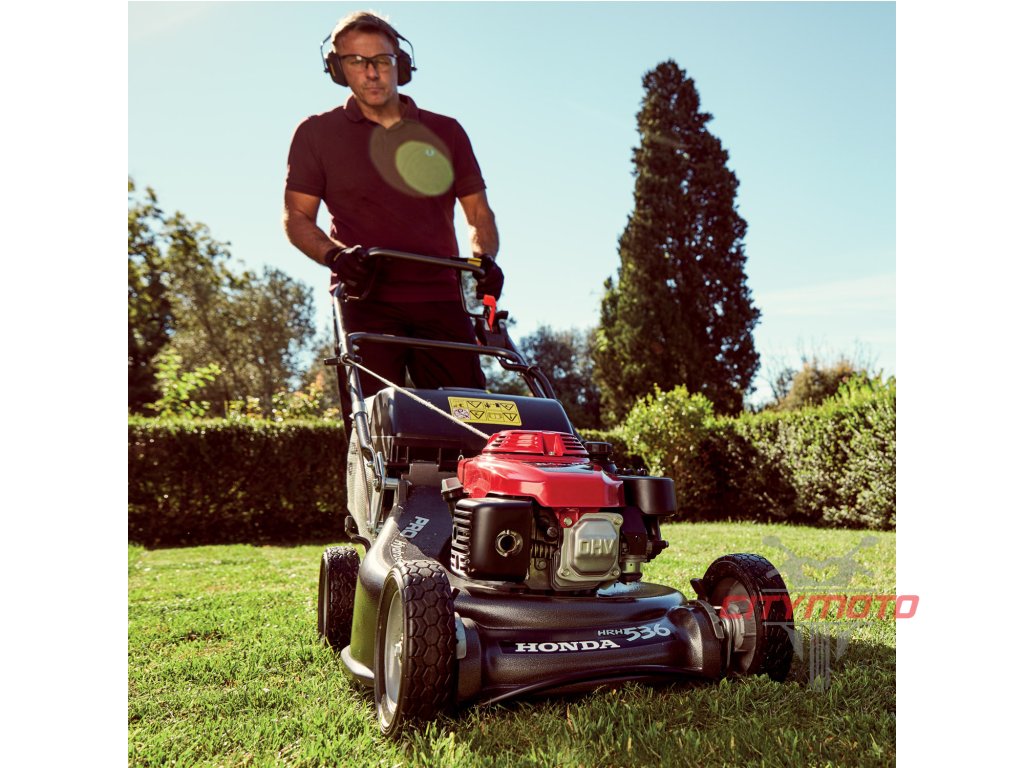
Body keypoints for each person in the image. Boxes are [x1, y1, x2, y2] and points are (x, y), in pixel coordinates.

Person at [283, 10, 502, 409]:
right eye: (356, 61)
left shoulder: (446, 131)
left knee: (469, 416)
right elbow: (296, 218)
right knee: (372, 421)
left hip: (440, 300)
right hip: (365, 301)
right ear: (337, 68)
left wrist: (485, 259)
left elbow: (478, 213)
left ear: (400, 64)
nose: (371, 73)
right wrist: (335, 256)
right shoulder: (316, 134)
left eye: (381, 61)